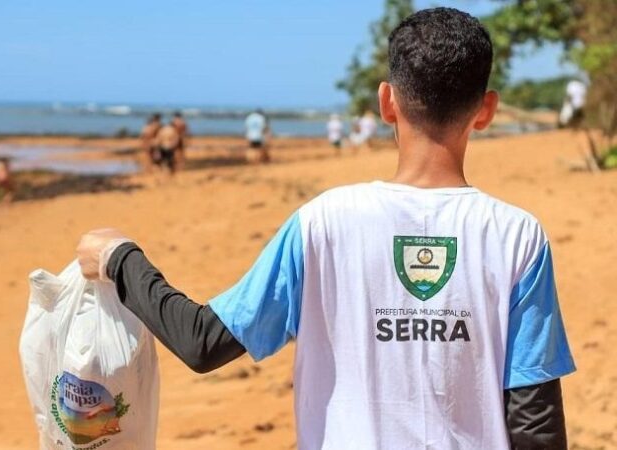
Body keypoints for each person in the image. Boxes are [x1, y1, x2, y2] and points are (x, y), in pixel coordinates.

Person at [77, 8, 574, 449]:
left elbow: (203, 342)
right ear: (486, 110)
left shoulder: (323, 223)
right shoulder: (517, 236)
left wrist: (120, 257)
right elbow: (535, 422)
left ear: (387, 102)